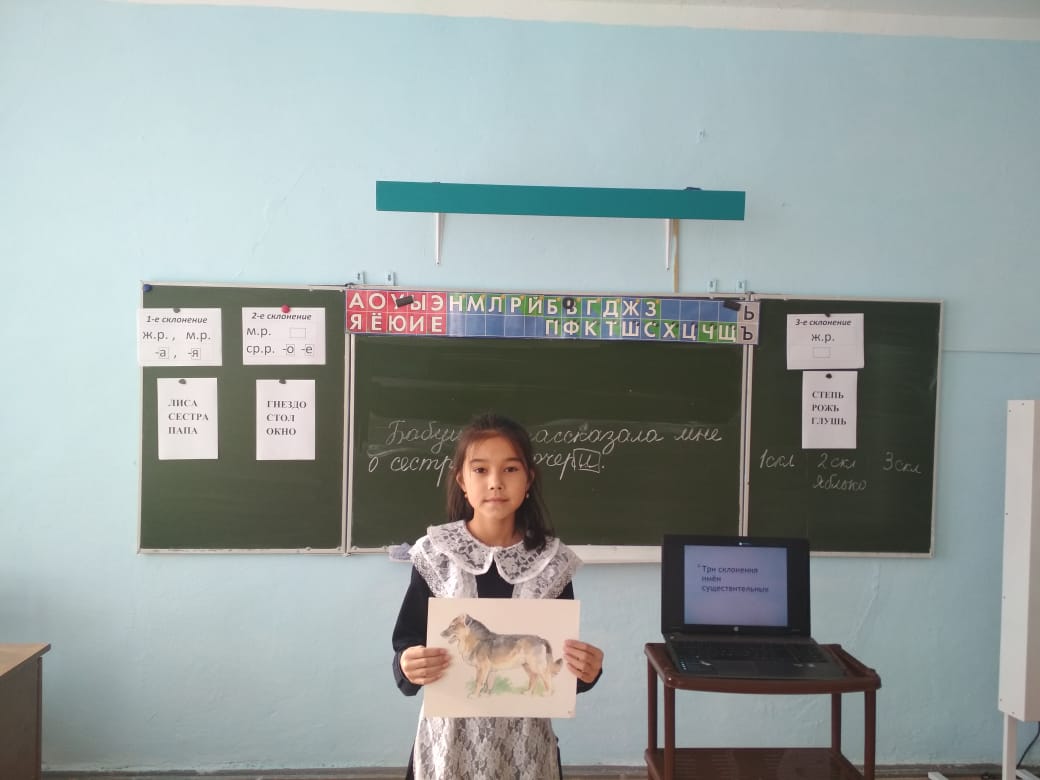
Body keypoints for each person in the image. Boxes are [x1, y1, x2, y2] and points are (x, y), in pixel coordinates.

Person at [391, 412, 605, 780]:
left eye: (510, 469)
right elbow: (407, 642)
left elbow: (562, 658)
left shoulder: (550, 563)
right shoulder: (436, 554)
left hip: (524, 749)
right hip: (448, 745)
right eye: (480, 470)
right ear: (462, 480)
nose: (495, 482)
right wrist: (407, 665)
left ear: (528, 479)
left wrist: (587, 671)